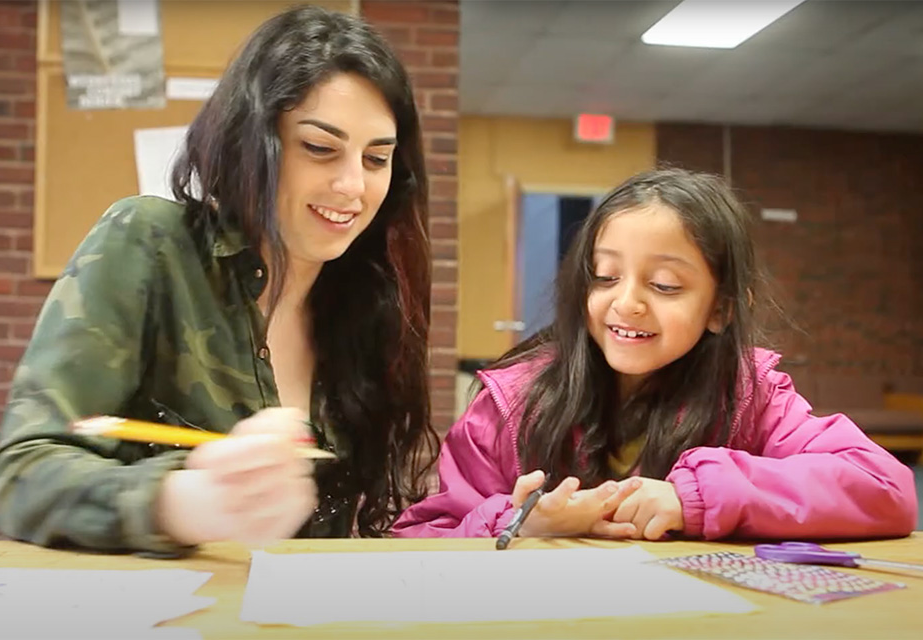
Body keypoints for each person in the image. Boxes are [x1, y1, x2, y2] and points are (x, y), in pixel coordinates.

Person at [0, 5, 439, 556]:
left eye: (376, 159)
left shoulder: (367, 303)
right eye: (319, 148)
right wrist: (177, 501)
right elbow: (21, 470)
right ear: (254, 142)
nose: (351, 186)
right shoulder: (153, 245)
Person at [393, 168, 918, 541]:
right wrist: (518, 521)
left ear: (722, 308)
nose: (626, 303)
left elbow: (883, 487)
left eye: (665, 285)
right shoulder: (511, 404)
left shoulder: (751, 397)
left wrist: (696, 498)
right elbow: (420, 536)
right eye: (605, 276)